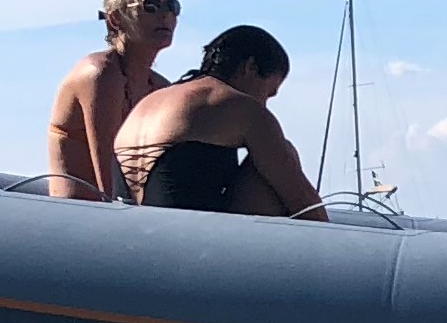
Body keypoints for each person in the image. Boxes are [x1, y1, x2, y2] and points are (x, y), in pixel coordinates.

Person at [110, 25, 327, 220]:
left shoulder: (154, 100)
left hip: (136, 236)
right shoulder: (241, 106)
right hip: (194, 240)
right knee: (280, 156)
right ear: (250, 67)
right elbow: (303, 203)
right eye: (269, 93)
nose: (265, 104)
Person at [45, 0, 180, 200]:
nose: (165, 15)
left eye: (172, 6)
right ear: (116, 19)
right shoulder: (100, 75)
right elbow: (110, 182)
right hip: (80, 219)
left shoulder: (160, 88)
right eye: (151, 5)